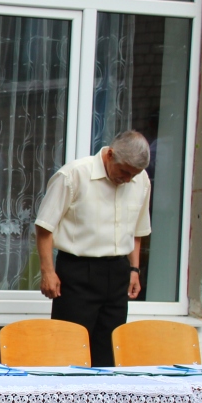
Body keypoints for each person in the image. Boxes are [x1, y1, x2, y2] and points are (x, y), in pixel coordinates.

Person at [35, 130, 152, 367]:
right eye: (124, 172)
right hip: (78, 272)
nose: (128, 179)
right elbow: (44, 227)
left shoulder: (141, 180)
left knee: (109, 351)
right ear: (110, 155)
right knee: (69, 349)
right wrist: (48, 272)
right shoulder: (74, 175)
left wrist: (134, 269)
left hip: (118, 273)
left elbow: (137, 231)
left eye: (134, 175)